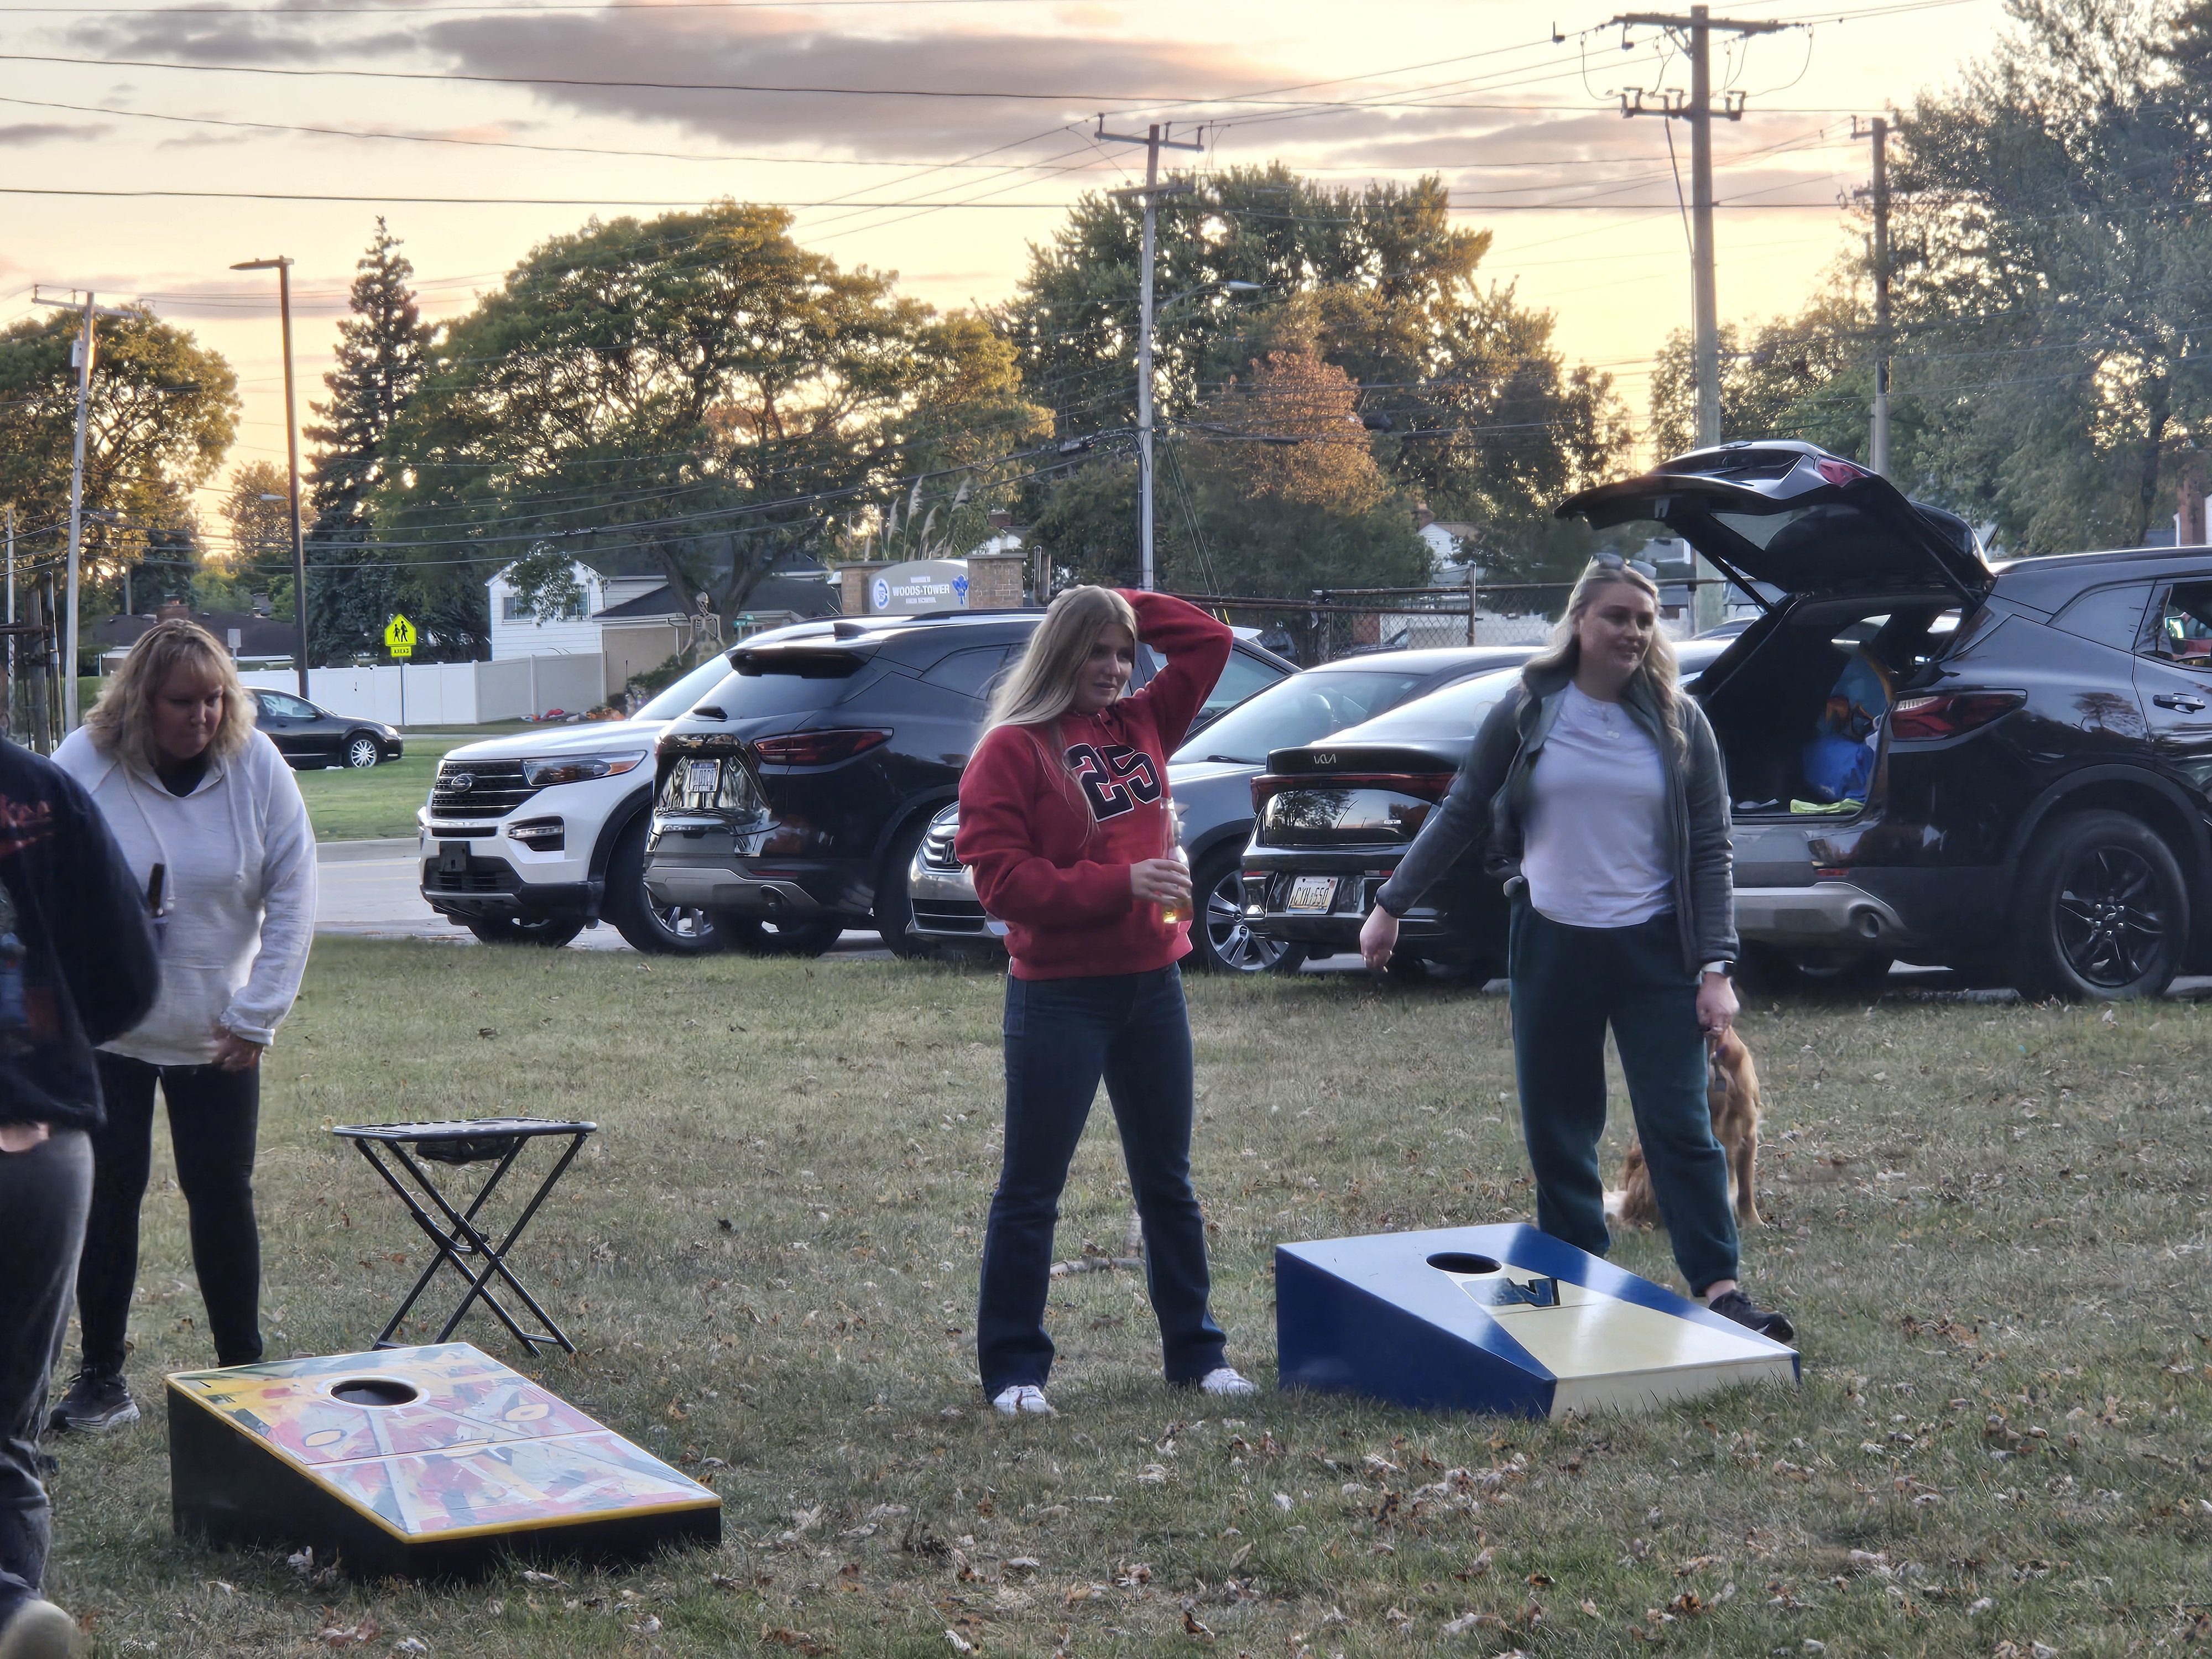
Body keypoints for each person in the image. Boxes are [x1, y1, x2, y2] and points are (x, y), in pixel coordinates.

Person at [1357, 557, 1795, 1342]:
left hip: (1656, 950)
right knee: (1559, 1124)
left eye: (1645, 620)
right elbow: (1463, 808)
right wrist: (1391, 904)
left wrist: (1716, 969)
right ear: (1580, 621)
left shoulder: (1681, 722)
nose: (1633, 632)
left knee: (1681, 1123)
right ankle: (1574, 1285)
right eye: (1616, 617)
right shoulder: (1530, 709)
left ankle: (1722, 1291)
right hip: (1552, 943)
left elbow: (1711, 846)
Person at [956, 587, 1258, 1415]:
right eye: (1097, 651)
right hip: (1059, 996)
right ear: (1061, 652)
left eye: (1124, 653)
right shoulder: (1012, 750)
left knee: (1169, 1182)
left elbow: (1210, 643)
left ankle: (1198, 1355)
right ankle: (1014, 1372)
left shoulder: (1142, 722)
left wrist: (1115, 601)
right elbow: (1002, 883)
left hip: (1153, 985)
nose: (1117, 668)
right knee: (1032, 1189)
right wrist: (1120, 883)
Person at [48, 620, 317, 1432]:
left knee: (221, 1194)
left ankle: (243, 1374)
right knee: (108, 1199)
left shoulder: (256, 765)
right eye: (181, 701)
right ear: (141, 702)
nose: (202, 716)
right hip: (108, 1034)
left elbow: (295, 891)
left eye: (214, 699)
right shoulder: (85, 762)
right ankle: (102, 1382)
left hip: (218, 1034)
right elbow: (34, 878)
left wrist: (258, 1015)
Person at [0, 733, 161, 1658]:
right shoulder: (43, 792)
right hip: (43, 1148)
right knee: (7, 1439)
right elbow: (131, 975)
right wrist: (40, 1049)